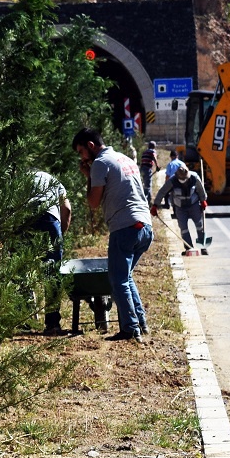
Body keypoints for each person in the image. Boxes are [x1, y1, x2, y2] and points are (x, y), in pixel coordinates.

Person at [72, 127, 152, 341]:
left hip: (125, 226)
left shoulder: (100, 163)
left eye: (81, 152)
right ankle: (141, 324)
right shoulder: (124, 158)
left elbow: (93, 202)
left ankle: (130, 330)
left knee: (118, 280)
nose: (81, 157)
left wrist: (88, 177)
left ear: (91, 146)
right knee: (125, 277)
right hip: (145, 226)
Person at [29, 169, 72, 335]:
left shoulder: (22, 179)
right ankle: (52, 324)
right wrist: (60, 236)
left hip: (25, 219)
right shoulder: (55, 181)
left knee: (21, 269)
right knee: (52, 273)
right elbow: (66, 209)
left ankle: (24, 320)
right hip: (48, 219)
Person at [152, 164, 211, 255]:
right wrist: (155, 205)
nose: (184, 180)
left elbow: (200, 189)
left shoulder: (194, 177)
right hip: (180, 208)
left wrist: (203, 200)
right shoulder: (172, 180)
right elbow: (162, 192)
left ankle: (203, 247)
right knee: (183, 228)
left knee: (200, 226)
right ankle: (189, 248)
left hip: (193, 204)